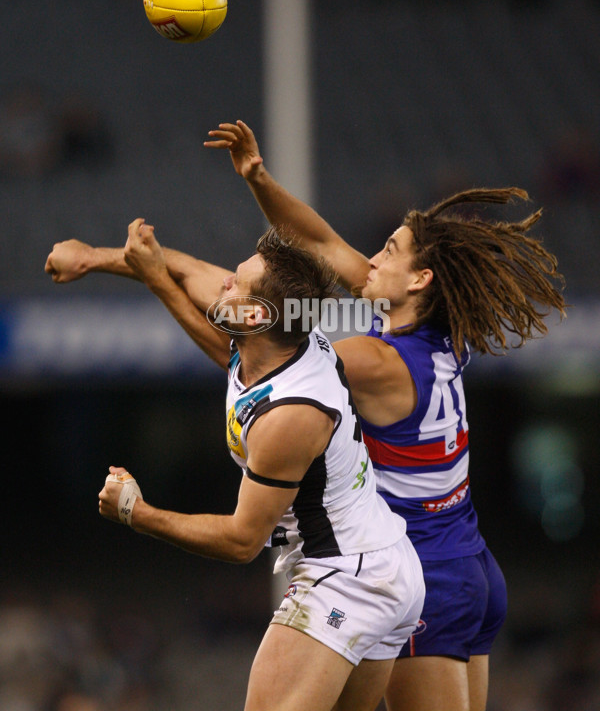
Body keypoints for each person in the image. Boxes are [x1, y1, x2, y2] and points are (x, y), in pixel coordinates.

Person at [46, 120, 567, 711]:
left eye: (388, 253)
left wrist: (148, 276)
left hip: (419, 566)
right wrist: (256, 178)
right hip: (466, 561)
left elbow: (251, 350)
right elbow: (315, 244)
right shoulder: (429, 327)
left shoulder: (377, 360)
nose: (368, 259)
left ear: (419, 280)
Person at [76, 220, 426, 711]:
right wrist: (96, 258)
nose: (223, 282)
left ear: (257, 314)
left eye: (236, 282)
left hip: (346, 577)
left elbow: (242, 540)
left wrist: (138, 512)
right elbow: (185, 273)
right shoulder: (277, 342)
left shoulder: (290, 416)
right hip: (380, 564)